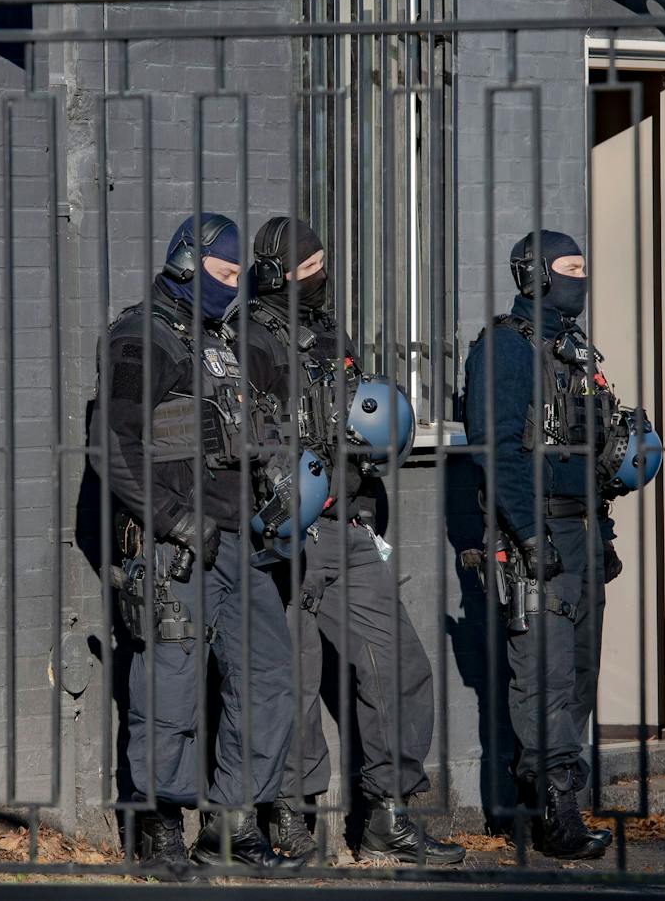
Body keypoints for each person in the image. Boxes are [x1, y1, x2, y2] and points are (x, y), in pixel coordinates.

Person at [240, 217, 465, 867]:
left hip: (348, 527)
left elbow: (361, 410)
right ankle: (291, 818)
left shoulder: (328, 333)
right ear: (282, 274)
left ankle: (386, 818)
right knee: (296, 681)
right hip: (289, 534)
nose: (321, 278)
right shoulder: (249, 336)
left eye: (323, 266)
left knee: (401, 666)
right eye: (309, 269)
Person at [88, 213, 297, 871]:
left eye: (240, 278)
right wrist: (174, 519)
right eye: (222, 273)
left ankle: (234, 824)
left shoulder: (222, 342)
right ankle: (158, 827)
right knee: (169, 689)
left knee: (267, 680)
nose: (233, 288)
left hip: (245, 544)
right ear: (186, 260)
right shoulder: (138, 339)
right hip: (176, 546)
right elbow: (111, 448)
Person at [461, 230, 623, 861]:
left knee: (580, 675)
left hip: (581, 531)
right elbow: (496, 452)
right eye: (569, 268)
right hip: (535, 535)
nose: (580, 278)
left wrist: (603, 526)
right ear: (536, 276)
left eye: (585, 266)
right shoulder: (506, 348)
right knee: (545, 676)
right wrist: (528, 534)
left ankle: (547, 796)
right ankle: (556, 813)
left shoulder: (575, 351)